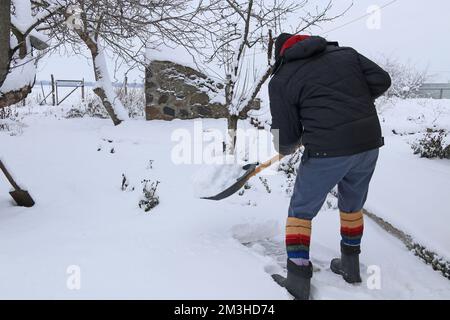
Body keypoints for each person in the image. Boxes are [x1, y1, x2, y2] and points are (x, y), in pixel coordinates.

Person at [269, 34, 391, 300]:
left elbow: (286, 139)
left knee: (301, 211)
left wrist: (289, 144)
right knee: (352, 204)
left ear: (282, 55)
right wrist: (351, 105)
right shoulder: (346, 54)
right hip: (368, 143)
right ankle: (350, 266)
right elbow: (383, 80)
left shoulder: (282, 79)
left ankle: (298, 279)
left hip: (327, 150)